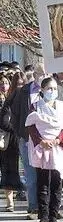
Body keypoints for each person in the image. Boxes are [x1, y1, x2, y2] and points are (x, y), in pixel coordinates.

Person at [25, 77, 63, 222]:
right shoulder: (35, 106)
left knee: (57, 183)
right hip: (41, 148)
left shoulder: (62, 106)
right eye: (49, 89)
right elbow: (31, 125)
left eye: (55, 89)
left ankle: (53, 216)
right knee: (43, 182)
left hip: (57, 147)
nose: (52, 91)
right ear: (42, 90)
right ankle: (43, 217)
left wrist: (58, 140)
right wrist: (41, 141)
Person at [6, 72, 40, 219]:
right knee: (31, 174)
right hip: (26, 138)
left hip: (48, 140)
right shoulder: (22, 92)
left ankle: (49, 208)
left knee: (49, 175)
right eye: (41, 73)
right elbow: (12, 113)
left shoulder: (50, 90)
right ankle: (33, 207)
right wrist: (20, 132)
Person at [0, 71, 26, 213]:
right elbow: (4, 122)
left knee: (26, 171)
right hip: (11, 141)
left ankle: (29, 200)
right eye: (18, 84)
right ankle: (10, 202)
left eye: (22, 84)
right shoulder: (9, 101)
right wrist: (18, 127)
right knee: (8, 171)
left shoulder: (29, 101)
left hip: (25, 139)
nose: (20, 87)